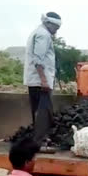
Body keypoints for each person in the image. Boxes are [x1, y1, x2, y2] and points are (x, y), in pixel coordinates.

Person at [23, 11, 62, 146]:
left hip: (37, 80)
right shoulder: (43, 35)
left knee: (38, 111)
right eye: (56, 27)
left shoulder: (38, 32)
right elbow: (38, 60)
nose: (56, 30)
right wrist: (44, 81)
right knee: (42, 112)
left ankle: (38, 140)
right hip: (40, 81)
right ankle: (41, 141)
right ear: (48, 23)